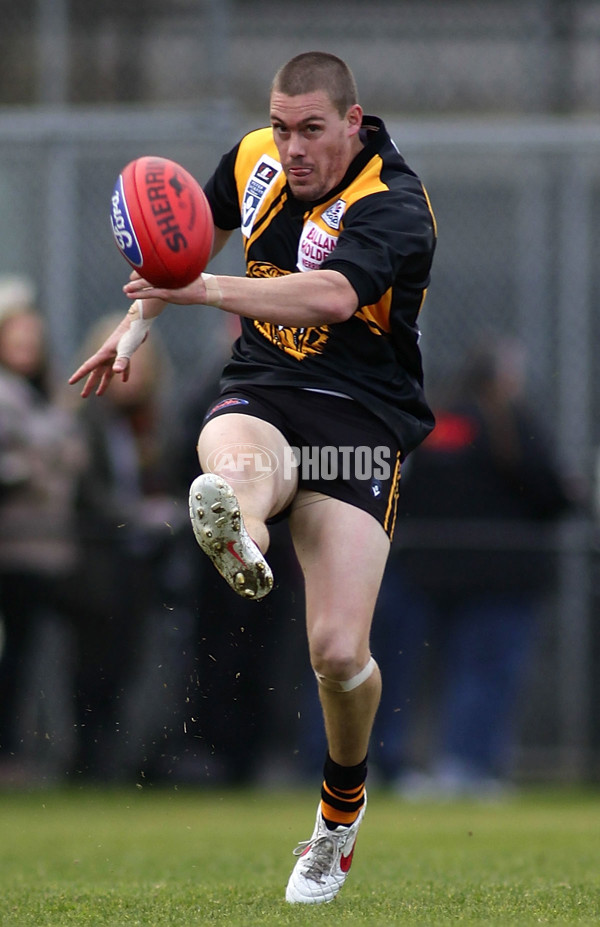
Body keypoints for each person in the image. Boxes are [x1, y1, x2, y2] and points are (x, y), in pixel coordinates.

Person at [69, 51, 437, 904]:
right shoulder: (251, 159)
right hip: (262, 393)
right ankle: (237, 525)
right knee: (237, 469)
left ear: (353, 121)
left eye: (312, 128)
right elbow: (179, 245)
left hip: (360, 425)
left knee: (339, 653)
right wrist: (135, 326)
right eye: (281, 125)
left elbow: (332, 299)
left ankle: (339, 813)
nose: (293, 145)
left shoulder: (395, 203)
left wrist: (201, 292)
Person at [371, 338, 576, 797]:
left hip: (425, 572)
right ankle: (466, 764)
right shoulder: (512, 423)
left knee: (403, 673)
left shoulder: (432, 423)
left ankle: (395, 766)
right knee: (484, 673)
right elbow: (551, 493)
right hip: (500, 575)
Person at [0, 275, 88, 782]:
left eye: (32, 341)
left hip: (47, 546)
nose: (26, 350)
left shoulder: (52, 392)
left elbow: (70, 458)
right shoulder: (13, 396)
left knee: (32, 657)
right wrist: (35, 466)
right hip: (11, 542)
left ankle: (19, 752)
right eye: (17, 340)